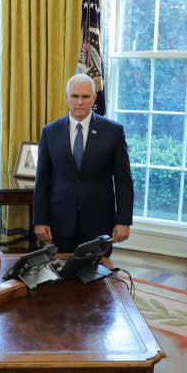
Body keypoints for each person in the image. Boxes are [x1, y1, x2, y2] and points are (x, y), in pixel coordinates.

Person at [33, 73, 133, 254]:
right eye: (75, 96)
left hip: (100, 221)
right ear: (66, 97)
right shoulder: (50, 132)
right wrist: (40, 219)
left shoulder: (113, 132)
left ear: (94, 98)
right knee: (64, 276)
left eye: (85, 96)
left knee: (98, 275)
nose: (80, 102)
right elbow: (42, 179)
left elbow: (123, 180)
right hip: (61, 220)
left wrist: (123, 221)